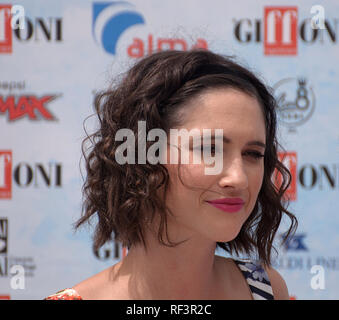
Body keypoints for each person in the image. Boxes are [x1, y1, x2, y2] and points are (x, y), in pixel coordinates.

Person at [45, 49, 297, 300]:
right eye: (210, 149)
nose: (239, 178)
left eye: (252, 154)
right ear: (142, 156)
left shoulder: (267, 290)